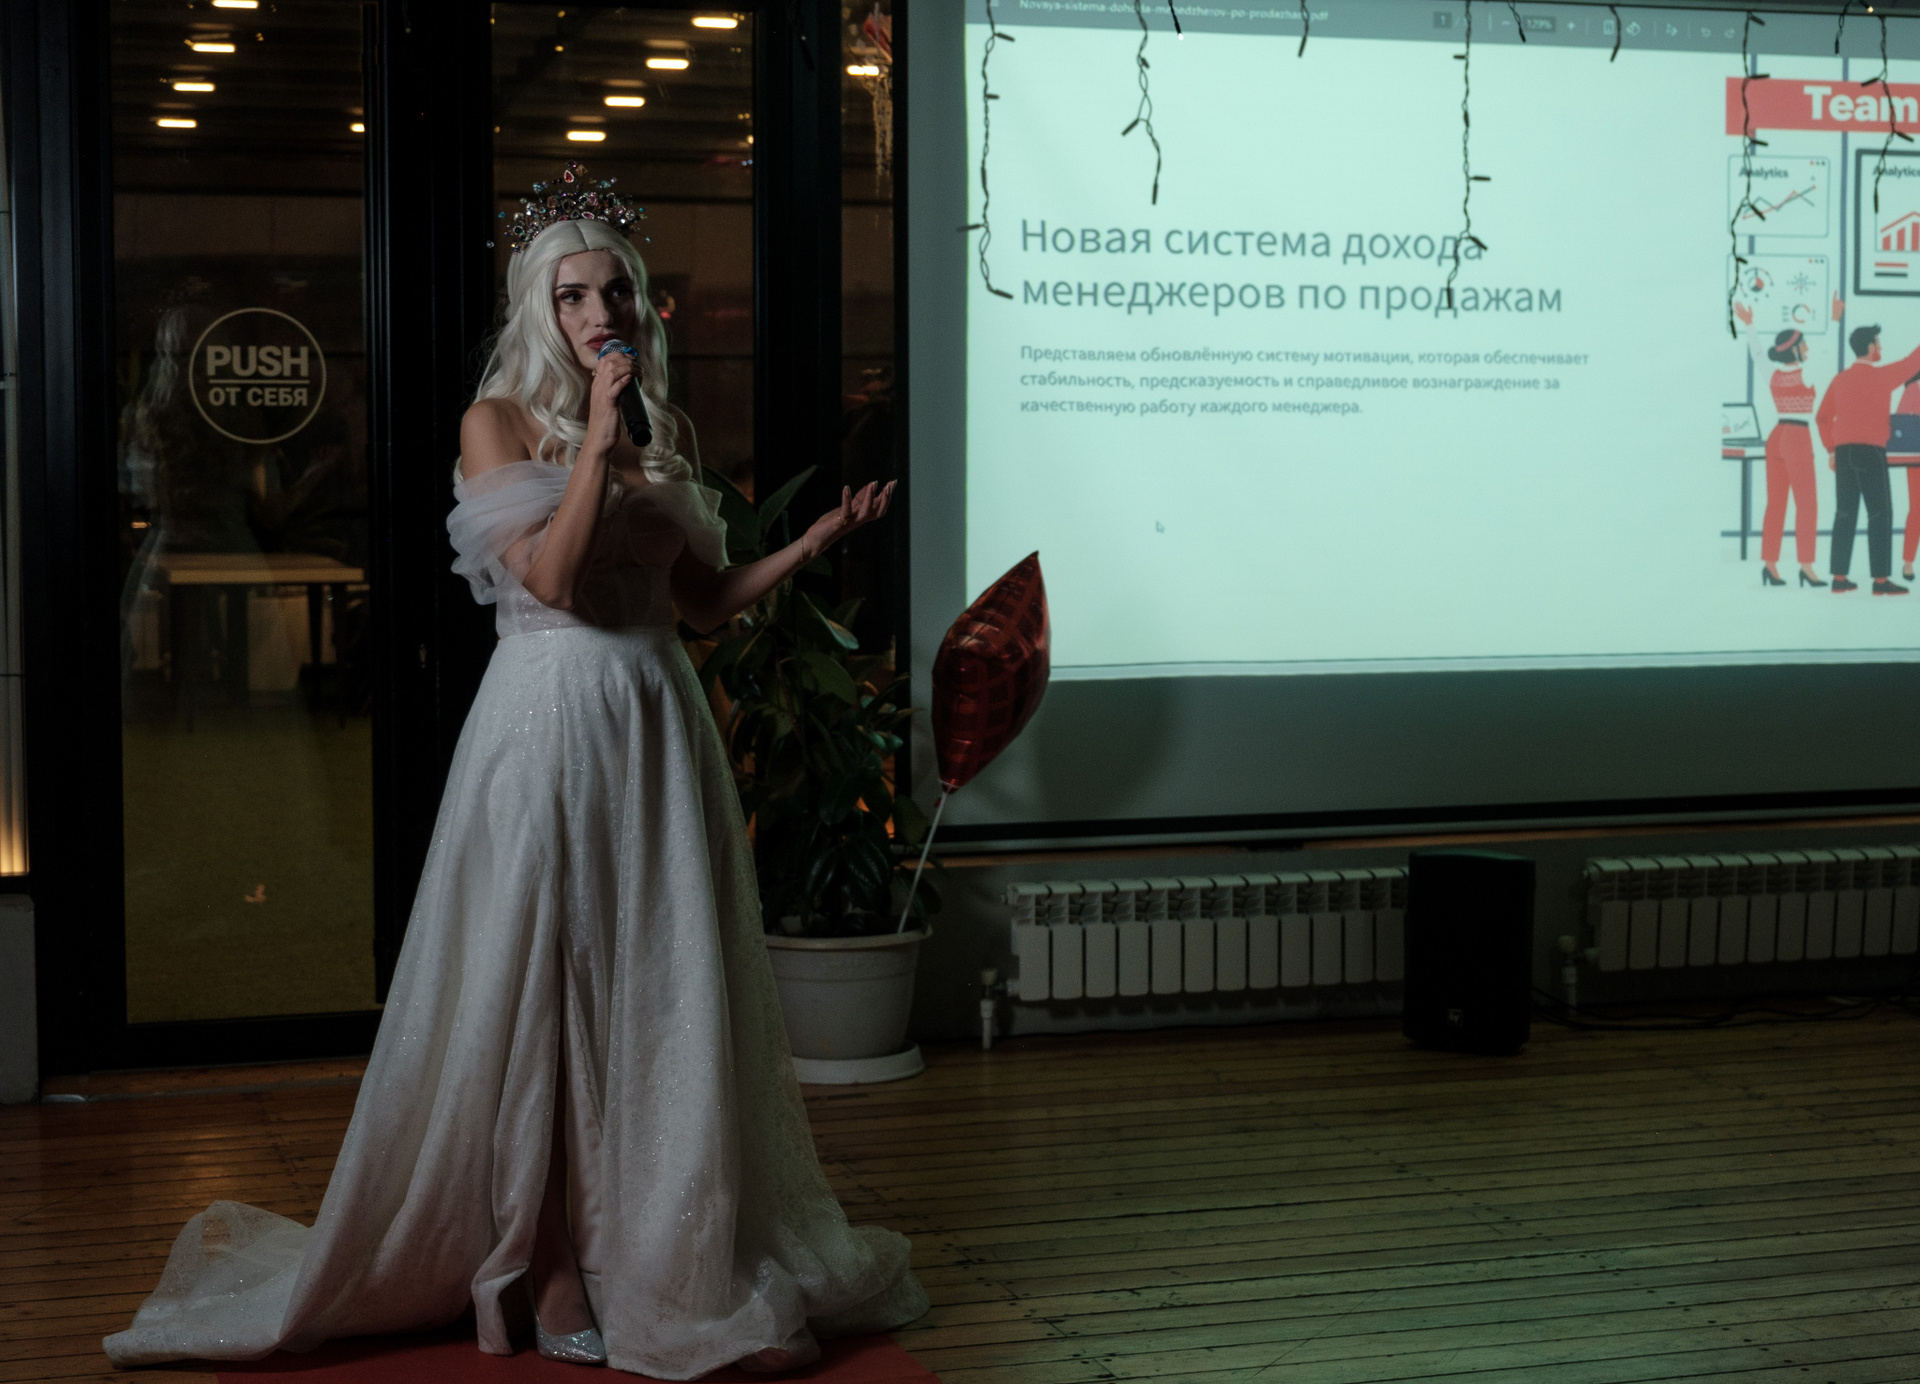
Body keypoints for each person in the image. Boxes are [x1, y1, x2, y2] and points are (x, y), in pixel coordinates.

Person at [103, 167, 926, 1379]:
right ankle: (543, 1264)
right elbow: (550, 579)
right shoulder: (496, 422)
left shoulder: (659, 435)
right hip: (549, 719)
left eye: (618, 293)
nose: (600, 313)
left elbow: (700, 606)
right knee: (541, 989)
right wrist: (594, 439)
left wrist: (809, 542)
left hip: (657, 723)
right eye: (574, 294)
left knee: (652, 987)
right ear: (539, 307)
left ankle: (640, 1237)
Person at [1814, 323, 1920, 594]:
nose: (1881, 348)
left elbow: (1822, 417)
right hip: (1871, 451)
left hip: (1844, 452)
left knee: (1844, 513)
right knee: (1880, 513)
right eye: (1878, 343)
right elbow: (1912, 362)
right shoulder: (1882, 376)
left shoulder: (1840, 379)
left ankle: (1839, 578)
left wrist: (1830, 450)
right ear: (1871, 347)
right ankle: (1880, 581)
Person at [1742, 306, 1838, 587]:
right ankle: (1806, 567)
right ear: (1794, 350)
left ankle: (1770, 566)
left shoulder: (1773, 375)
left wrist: (1749, 324)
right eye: (1803, 345)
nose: (1807, 348)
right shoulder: (1806, 374)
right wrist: (1833, 319)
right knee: (1807, 504)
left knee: (1775, 504)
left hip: (1776, 437)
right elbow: (1826, 351)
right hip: (1797, 437)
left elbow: (1758, 354)